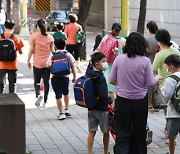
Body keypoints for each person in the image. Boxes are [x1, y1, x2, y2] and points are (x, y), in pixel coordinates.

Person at [109, 32, 159, 154]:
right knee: (138, 132)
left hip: (122, 101)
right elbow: (150, 82)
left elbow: (112, 80)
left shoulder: (119, 59)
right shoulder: (146, 61)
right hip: (140, 102)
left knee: (122, 132)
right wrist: (158, 77)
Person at [152, 29, 180, 144]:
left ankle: (171, 134)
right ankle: (169, 130)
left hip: (165, 84)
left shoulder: (159, 55)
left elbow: (152, 70)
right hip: (178, 83)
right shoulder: (177, 51)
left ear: (159, 41)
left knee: (168, 111)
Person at [87, 52, 112, 154]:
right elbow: (103, 94)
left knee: (91, 131)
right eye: (104, 61)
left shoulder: (89, 74)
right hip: (101, 108)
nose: (106, 63)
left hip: (91, 107)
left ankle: (89, 152)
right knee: (105, 132)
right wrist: (110, 100)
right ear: (97, 64)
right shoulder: (100, 78)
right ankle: (106, 151)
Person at [27, 18, 55, 108]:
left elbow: (31, 50)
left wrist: (28, 60)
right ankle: (45, 102)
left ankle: (38, 94)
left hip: (37, 63)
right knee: (46, 82)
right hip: (47, 64)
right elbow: (53, 51)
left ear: (37, 26)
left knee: (37, 82)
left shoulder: (34, 36)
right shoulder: (50, 37)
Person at [51, 38, 76, 120]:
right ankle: (66, 109)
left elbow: (48, 65)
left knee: (58, 95)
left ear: (55, 46)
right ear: (65, 45)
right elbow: (72, 65)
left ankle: (61, 113)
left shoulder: (53, 55)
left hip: (55, 78)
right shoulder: (67, 54)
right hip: (65, 77)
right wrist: (75, 76)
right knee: (66, 93)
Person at [161, 54, 180, 154]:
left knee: (171, 137)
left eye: (167, 66)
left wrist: (163, 87)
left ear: (171, 67)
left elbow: (166, 97)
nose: (167, 68)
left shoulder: (170, 79)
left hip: (173, 114)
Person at [98, 22, 122, 102]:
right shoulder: (123, 41)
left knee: (110, 88)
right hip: (121, 66)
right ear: (120, 31)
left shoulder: (106, 38)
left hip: (109, 65)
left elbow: (99, 50)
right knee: (120, 88)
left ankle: (112, 107)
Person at [0, 20, 24, 93]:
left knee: (1, 85)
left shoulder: (0, 37)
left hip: (1, 65)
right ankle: (12, 102)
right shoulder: (16, 38)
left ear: (4, 27)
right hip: (13, 64)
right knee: (12, 84)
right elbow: (20, 52)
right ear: (13, 27)